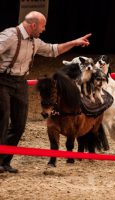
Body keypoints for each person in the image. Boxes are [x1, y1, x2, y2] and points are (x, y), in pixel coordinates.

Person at [0, 11, 92, 173]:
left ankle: (4, 161)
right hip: (2, 81)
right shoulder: (10, 36)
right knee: (2, 121)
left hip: (20, 82)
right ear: (33, 25)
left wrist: (75, 42)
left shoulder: (34, 41)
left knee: (19, 124)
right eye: (42, 26)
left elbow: (52, 50)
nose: (44, 30)